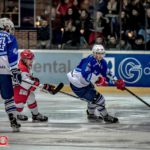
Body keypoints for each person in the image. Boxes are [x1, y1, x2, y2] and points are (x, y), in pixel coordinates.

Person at [67, 44, 125, 123]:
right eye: (98, 53)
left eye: (102, 53)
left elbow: (107, 72)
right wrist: (98, 80)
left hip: (84, 84)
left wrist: (116, 81)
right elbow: (85, 74)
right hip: (78, 85)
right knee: (99, 99)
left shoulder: (102, 62)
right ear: (94, 53)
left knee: (94, 98)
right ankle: (106, 116)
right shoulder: (89, 61)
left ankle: (91, 114)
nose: (100, 55)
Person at [13, 49, 55, 122]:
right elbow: (26, 82)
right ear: (25, 59)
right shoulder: (22, 67)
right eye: (30, 59)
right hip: (16, 87)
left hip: (20, 85)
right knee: (20, 103)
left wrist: (33, 79)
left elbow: (26, 79)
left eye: (32, 59)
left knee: (31, 97)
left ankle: (35, 115)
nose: (32, 60)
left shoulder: (25, 65)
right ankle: (15, 114)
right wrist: (43, 86)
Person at [0, 17, 22, 131]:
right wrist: (15, 70)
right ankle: (13, 120)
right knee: (8, 98)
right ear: (6, 27)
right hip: (4, 72)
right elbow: (12, 56)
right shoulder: (10, 38)